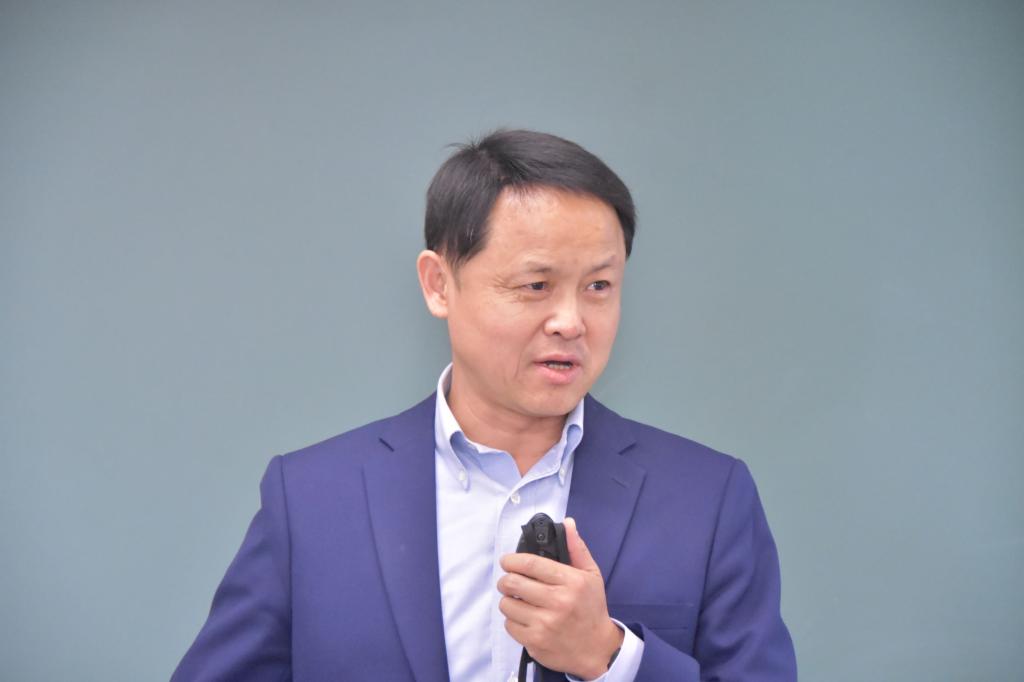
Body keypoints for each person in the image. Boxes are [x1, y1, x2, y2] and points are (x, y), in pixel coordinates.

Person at [172, 129, 797, 681]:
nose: (571, 321)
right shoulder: (312, 499)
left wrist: (610, 659)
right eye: (536, 285)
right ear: (439, 284)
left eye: (599, 286)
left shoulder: (708, 498)